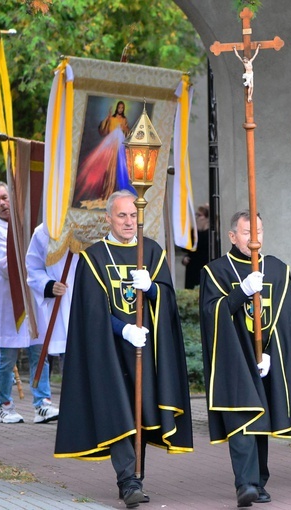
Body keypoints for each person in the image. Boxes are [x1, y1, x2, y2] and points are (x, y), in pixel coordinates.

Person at [55, 190, 193, 509]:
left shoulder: (153, 253)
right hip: (109, 352)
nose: (129, 221)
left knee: (140, 413)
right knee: (118, 410)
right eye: (122, 215)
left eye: (133, 216)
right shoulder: (94, 257)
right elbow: (92, 313)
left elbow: (169, 302)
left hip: (146, 351)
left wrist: (154, 288)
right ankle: (127, 479)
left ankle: (136, 478)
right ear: (108, 218)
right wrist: (124, 329)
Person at [200, 210, 291, 507]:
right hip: (234, 359)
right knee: (241, 419)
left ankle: (259, 481)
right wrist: (241, 293)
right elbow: (212, 315)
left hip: (266, 360)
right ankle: (245, 484)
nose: (254, 238)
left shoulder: (276, 270)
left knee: (260, 421)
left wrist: (272, 354)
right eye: (247, 233)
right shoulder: (216, 271)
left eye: (259, 231)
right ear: (233, 236)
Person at [0, 182, 60, 425]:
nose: (2, 203)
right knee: (7, 357)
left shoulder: (27, 225)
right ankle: (4, 405)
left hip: (31, 299)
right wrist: (31, 258)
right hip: (8, 303)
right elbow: (6, 267)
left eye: (5, 198)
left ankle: (42, 403)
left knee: (39, 351)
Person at [25, 223, 77, 377]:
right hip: (65, 305)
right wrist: (48, 285)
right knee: (72, 374)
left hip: (95, 306)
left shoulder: (99, 224)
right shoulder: (45, 231)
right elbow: (33, 268)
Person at [72, 100, 135, 208]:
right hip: (110, 145)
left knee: (117, 171)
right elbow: (103, 130)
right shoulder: (111, 118)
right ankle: (106, 194)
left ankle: (115, 196)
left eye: (122, 108)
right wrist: (107, 118)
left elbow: (128, 134)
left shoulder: (124, 120)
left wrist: (126, 129)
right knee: (108, 170)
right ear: (117, 109)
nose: (120, 109)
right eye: (119, 108)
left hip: (120, 148)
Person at [181, 203, 210, 289]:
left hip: (204, 266)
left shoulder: (211, 233)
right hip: (192, 268)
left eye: (199, 215)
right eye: (196, 215)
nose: (196, 218)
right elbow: (186, 248)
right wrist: (185, 258)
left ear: (206, 218)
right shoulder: (193, 232)